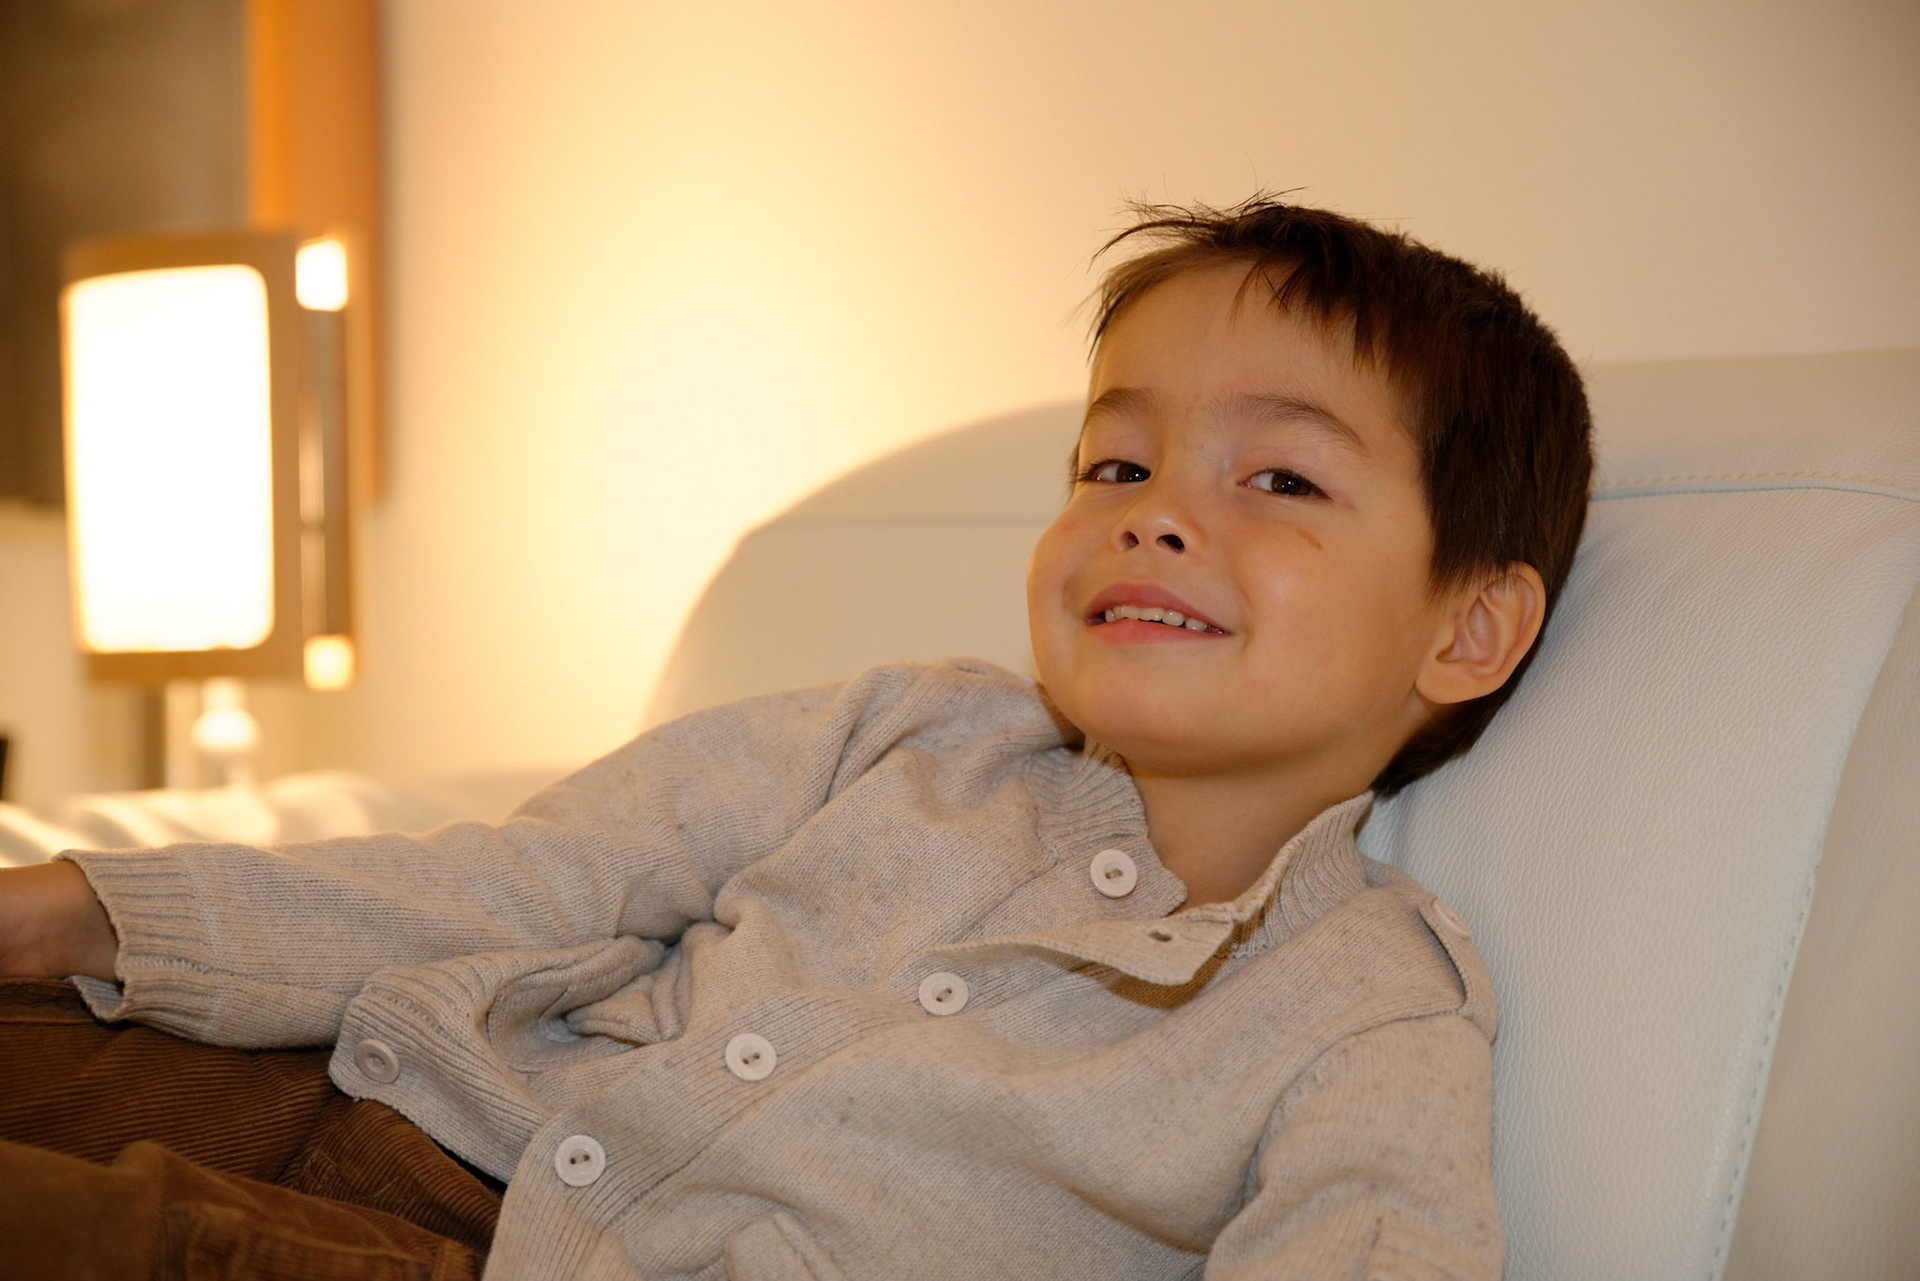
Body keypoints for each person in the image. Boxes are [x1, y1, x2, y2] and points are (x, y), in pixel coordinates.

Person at [0, 196, 1591, 1280]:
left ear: (1469, 628)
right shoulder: (905, 728)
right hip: (369, 1103)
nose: (1157, 514)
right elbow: (515, 882)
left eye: (1281, 479)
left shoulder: (1366, 1007)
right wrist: (75, 910)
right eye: (1117, 464)